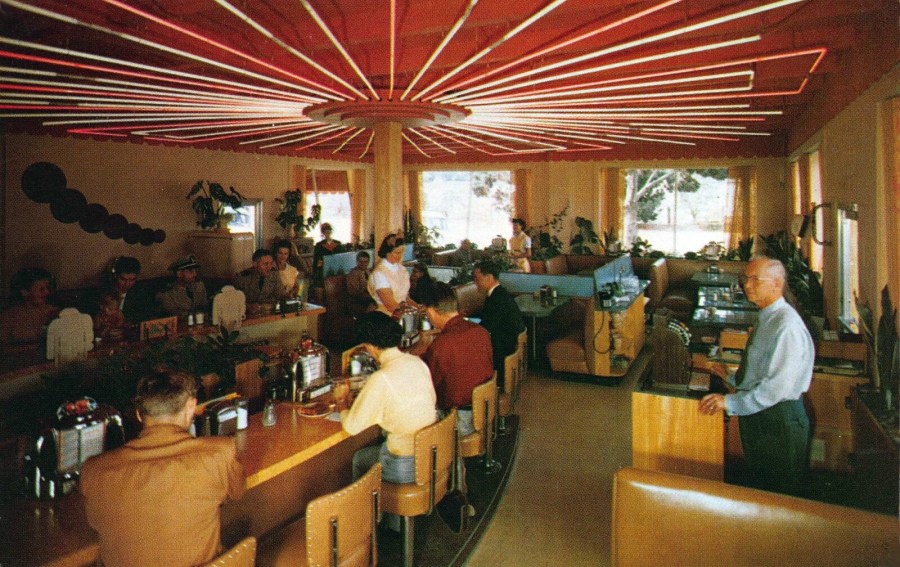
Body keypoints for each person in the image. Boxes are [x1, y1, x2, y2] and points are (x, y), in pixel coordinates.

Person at [79, 370, 244, 567]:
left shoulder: (95, 469)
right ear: (191, 406)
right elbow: (237, 492)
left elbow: (93, 524)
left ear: (139, 415)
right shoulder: (219, 452)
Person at [698, 257, 814, 496]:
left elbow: (777, 387)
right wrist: (732, 378)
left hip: (779, 418)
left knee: (780, 496)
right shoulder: (767, 316)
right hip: (761, 414)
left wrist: (728, 401)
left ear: (777, 283)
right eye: (745, 279)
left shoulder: (787, 325)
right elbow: (763, 369)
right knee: (760, 489)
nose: (747, 285)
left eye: (755, 280)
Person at [340, 311, 437, 485]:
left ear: (370, 346)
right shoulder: (417, 362)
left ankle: (375, 503)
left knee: (360, 459)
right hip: (432, 454)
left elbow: (352, 427)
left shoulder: (381, 378)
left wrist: (341, 401)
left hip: (405, 465)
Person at [419, 282, 494, 437]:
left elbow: (430, 387)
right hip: (485, 408)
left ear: (431, 311)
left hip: (460, 419)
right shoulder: (481, 331)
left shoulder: (442, 344)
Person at [473, 260, 525, 380]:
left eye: (477, 279)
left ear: (489, 278)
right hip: (508, 341)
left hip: (503, 347)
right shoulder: (499, 293)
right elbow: (489, 315)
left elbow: (487, 327)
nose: (475, 283)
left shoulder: (497, 298)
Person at [0, 267, 59, 361]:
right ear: (24, 292)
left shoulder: (54, 312)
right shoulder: (9, 316)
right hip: (16, 363)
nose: (47, 292)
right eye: (41, 289)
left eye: (47, 288)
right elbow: (2, 349)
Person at [86, 256, 152, 324]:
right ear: (116, 275)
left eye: (131, 280)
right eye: (123, 279)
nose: (127, 284)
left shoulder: (140, 294)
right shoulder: (102, 292)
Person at [368, 235, 415, 315]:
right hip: (386, 316)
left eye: (402, 252)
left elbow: (405, 298)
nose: (400, 256)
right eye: (397, 253)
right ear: (387, 252)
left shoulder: (402, 269)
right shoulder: (379, 274)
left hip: (401, 313)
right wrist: (411, 313)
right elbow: (391, 306)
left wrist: (418, 308)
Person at [156, 255, 208, 322]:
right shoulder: (166, 295)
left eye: (195, 270)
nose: (195, 274)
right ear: (179, 274)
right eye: (190, 271)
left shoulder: (199, 286)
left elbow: (204, 308)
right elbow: (176, 317)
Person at [346, 250, 374, 316]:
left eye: (365, 262)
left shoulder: (368, 271)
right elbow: (355, 293)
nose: (363, 264)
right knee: (375, 302)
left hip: (367, 298)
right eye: (360, 262)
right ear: (357, 262)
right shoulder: (353, 273)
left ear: (368, 262)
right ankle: (366, 319)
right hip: (356, 302)